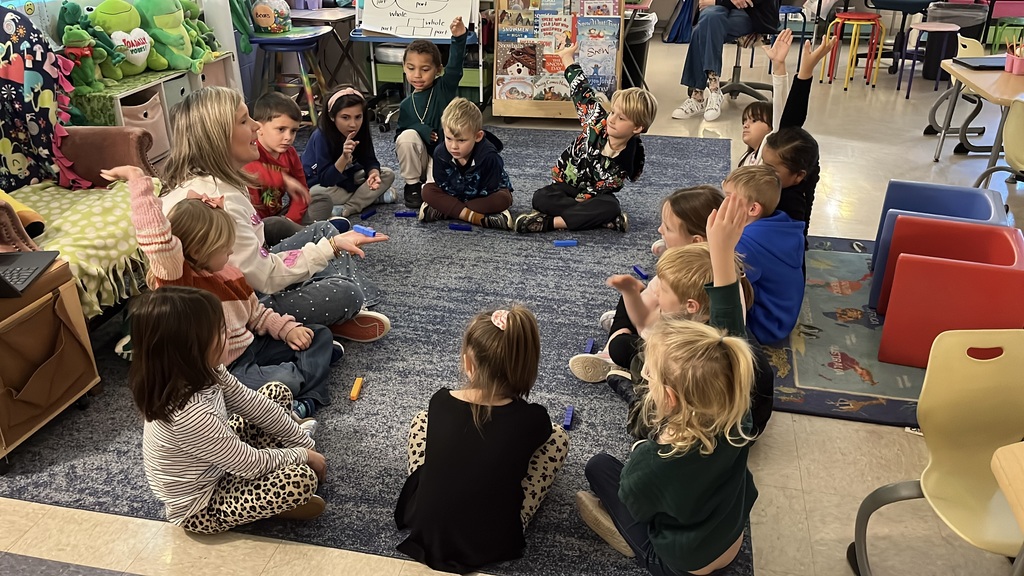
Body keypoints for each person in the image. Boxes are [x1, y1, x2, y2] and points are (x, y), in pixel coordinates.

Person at [576, 193, 758, 575]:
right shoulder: (738, 412)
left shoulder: (652, 461)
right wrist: (722, 251)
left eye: (651, 375)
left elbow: (638, 504)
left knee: (598, 468)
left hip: (679, 563)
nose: (645, 375)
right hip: (730, 536)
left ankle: (623, 538)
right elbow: (728, 328)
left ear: (671, 398)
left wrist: (647, 448)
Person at [160, 86, 392, 343]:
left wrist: (325, 246)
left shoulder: (223, 182)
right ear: (218, 136)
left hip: (256, 275)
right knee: (345, 293)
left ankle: (339, 310)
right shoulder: (218, 202)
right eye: (244, 121)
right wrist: (331, 248)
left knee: (322, 230)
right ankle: (340, 311)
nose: (256, 125)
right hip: (244, 307)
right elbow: (265, 278)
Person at [112, 165, 341, 418]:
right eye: (224, 248)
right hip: (223, 372)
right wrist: (138, 180)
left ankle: (300, 394)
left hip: (251, 346)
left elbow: (256, 314)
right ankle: (307, 391)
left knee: (319, 335)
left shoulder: (230, 274)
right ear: (199, 251)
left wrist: (287, 330)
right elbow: (156, 239)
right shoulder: (178, 280)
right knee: (286, 379)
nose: (231, 252)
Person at [131, 287, 328, 534]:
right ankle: (275, 503)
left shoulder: (208, 369)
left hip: (221, 463)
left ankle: (283, 461)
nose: (229, 336)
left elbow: (252, 404)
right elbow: (250, 464)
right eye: (221, 331)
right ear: (192, 348)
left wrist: (303, 443)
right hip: (203, 506)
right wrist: (303, 455)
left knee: (276, 392)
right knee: (299, 480)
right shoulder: (190, 415)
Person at [394, 306, 570, 574]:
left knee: (422, 420)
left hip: (424, 524)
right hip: (493, 539)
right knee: (558, 439)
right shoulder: (532, 419)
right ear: (525, 364)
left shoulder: (440, 401)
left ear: (468, 363)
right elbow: (539, 437)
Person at [569, 185, 724, 383]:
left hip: (665, 349)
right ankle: (621, 331)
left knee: (620, 345)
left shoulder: (690, 302)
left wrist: (635, 305)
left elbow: (645, 323)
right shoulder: (709, 269)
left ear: (695, 241)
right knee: (630, 294)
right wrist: (632, 294)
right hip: (660, 323)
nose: (659, 229)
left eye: (667, 228)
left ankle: (612, 353)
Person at [516, 42, 657, 234]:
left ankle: (552, 223)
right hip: (566, 186)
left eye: (621, 118)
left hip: (593, 197)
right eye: (613, 112)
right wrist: (566, 58)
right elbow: (581, 91)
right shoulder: (596, 120)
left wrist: (585, 200)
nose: (612, 119)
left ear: (637, 128)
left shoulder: (626, 162)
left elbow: (604, 188)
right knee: (540, 198)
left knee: (610, 206)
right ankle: (601, 221)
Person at [395, 17, 468, 209]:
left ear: (438, 70)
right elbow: (400, 138)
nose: (417, 75)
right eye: (411, 68)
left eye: (425, 69)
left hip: (443, 159)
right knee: (407, 137)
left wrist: (459, 38)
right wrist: (420, 130)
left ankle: (431, 188)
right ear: (404, 67)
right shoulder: (406, 104)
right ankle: (412, 186)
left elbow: (455, 68)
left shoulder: (443, 88)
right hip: (419, 161)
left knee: (435, 193)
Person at [727, 165, 804, 344]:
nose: (723, 204)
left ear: (753, 209)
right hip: (782, 318)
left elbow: (725, 285)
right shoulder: (781, 224)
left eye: (729, 198)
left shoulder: (747, 243)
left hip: (764, 326)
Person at [244, 92, 334, 246]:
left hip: (281, 217)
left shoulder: (290, 153)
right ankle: (314, 235)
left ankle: (301, 235)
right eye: (281, 129)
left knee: (321, 199)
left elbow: (302, 192)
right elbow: (251, 170)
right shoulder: (250, 149)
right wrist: (283, 179)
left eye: (293, 131)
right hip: (256, 224)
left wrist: (290, 220)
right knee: (274, 225)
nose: (288, 137)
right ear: (259, 128)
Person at [671, 0, 780, 122]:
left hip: (753, 13)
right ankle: (709, 93)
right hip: (720, 10)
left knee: (703, 29)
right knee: (709, 18)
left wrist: (717, 1)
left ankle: (702, 94)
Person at [418, 97, 514, 230]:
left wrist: (452, 204)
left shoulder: (489, 157)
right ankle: (479, 218)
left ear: (478, 136)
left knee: (503, 199)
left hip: (481, 195)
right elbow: (441, 184)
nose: (453, 146)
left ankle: (445, 211)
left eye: (461, 140)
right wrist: (456, 199)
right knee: (427, 191)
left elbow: (492, 187)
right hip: (454, 193)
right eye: (449, 138)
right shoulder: (440, 153)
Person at [302, 85, 397, 218]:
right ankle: (370, 198)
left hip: (350, 178)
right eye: (345, 117)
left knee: (388, 174)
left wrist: (373, 173)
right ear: (332, 117)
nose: (353, 124)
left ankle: (349, 208)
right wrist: (344, 158)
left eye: (358, 117)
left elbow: (369, 160)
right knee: (315, 194)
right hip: (323, 184)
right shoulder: (321, 136)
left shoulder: (361, 131)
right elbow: (326, 180)